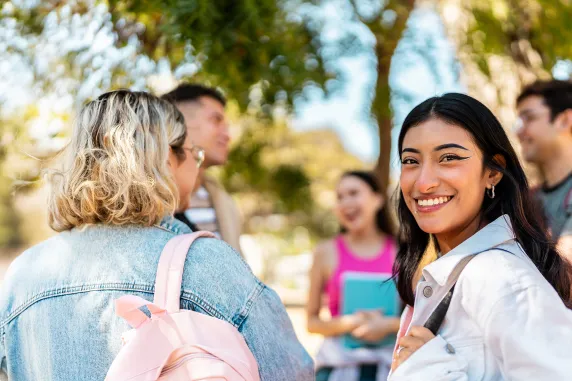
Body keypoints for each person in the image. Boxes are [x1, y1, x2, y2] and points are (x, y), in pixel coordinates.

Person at [0, 90, 313, 380]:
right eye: (194, 154)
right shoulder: (204, 264)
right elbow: (292, 371)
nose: (196, 165)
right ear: (165, 159)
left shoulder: (22, 275)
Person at [389, 93, 572, 380]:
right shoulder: (448, 275)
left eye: (448, 158)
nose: (423, 182)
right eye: (410, 161)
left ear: (492, 172)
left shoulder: (498, 276)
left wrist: (431, 369)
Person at [307, 171, 400, 381]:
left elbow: (417, 317)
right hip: (336, 366)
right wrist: (351, 322)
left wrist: (388, 325)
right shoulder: (325, 252)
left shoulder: (401, 252)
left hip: (388, 368)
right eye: (340, 197)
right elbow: (311, 322)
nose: (346, 202)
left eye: (353, 193)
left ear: (377, 199)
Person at [161, 84, 242, 253]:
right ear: (178, 122)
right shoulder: (147, 199)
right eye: (216, 120)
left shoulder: (222, 200)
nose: (227, 135)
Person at [515, 80, 572, 256]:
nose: (519, 131)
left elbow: (567, 273)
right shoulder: (529, 199)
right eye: (519, 121)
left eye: (529, 118)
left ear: (564, 120)